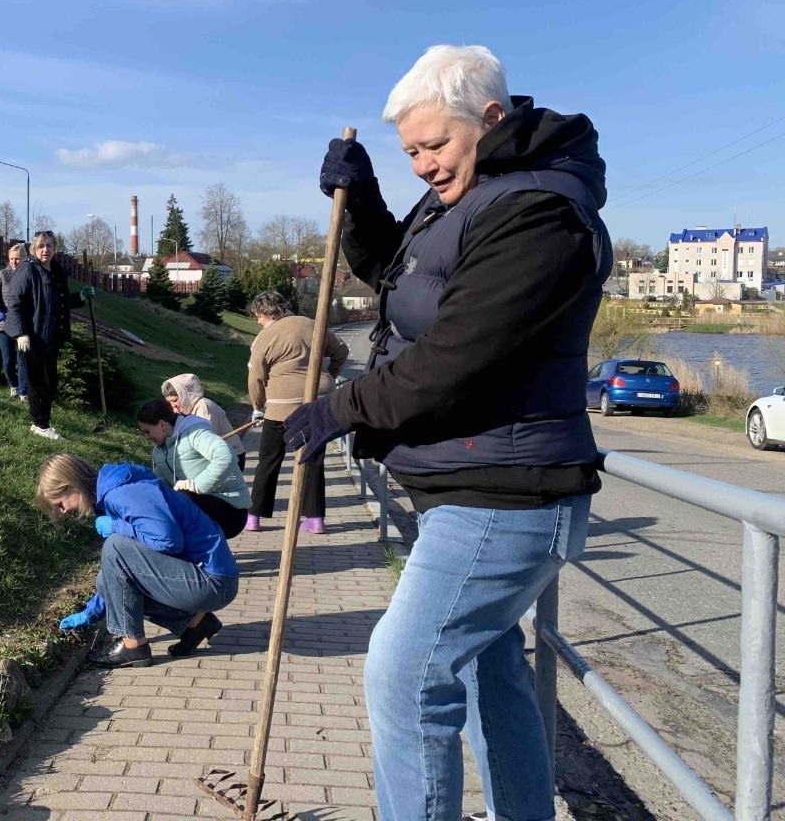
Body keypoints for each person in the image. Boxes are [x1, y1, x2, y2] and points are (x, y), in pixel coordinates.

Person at [282, 45, 612, 821]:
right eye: (409, 154)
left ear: (490, 120)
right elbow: (401, 278)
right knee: (484, 676)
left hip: (509, 492)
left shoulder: (538, 212)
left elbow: (454, 358)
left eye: (434, 146)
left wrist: (342, 407)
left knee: (403, 675)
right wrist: (361, 201)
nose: (423, 165)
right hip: (471, 484)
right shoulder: (470, 196)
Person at [36, 453, 239, 664]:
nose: (64, 511)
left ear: (72, 486)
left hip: (213, 581)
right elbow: (116, 577)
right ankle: (196, 624)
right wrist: (90, 612)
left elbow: (169, 541)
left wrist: (117, 527)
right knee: (106, 579)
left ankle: (133, 646)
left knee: (114, 546)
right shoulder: (113, 492)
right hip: (207, 577)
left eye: (60, 503)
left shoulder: (122, 494)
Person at [245, 290, 348, 534]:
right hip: (317, 403)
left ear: (264, 313)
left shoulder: (265, 336)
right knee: (313, 459)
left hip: (281, 405)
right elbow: (341, 352)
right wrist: (328, 378)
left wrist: (258, 407)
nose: (258, 321)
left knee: (269, 460)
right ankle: (315, 520)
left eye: (257, 317)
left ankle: (254, 517)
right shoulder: (313, 324)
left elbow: (256, 377)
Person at [4, 231, 90, 440]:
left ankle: (42, 422)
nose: (46, 250)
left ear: (54, 248)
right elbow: (15, 303)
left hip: (51, 336)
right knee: (38, 382)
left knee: (49, 381)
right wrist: (20, 333)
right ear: (34, 248)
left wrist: (79, 297)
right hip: (32, 337)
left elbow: (56, 301)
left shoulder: (55, 271)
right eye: (41, 246)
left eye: (49, 246)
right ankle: (40, 425)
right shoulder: (28, 269)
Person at [136, 398, 251, 539]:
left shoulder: (194, 433)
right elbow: (162, 490)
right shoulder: (159, 452)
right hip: (200, 506)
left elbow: (225, 456)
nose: (146, 437)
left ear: (162, 424)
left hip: (231, 509)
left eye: (147, 431)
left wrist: (196, 485)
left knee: (183, 499)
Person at [161, 372, 246, 469]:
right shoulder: (185, 409)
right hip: (210, 455)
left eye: (175, 400)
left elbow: (204, 438)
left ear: (186, 395)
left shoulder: (204, 407)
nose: (173, 405)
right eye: (169, 402)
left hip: (231, 455)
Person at [0, 242, 29, 399]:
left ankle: (24, 392)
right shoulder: (2, 274)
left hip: (22, 325)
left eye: (17, 259)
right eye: (11, 259)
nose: (14, 262)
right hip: (3, 325)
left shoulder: (28, 274)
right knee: (8, 362)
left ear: (24, 258)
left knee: (22, 360)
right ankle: (14, 385)